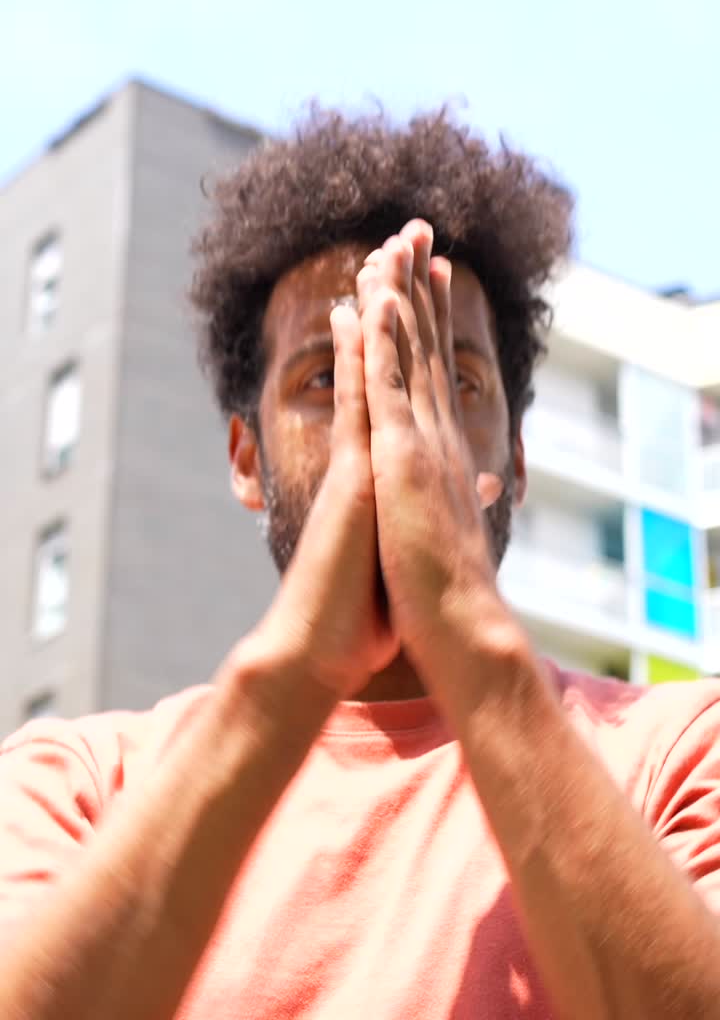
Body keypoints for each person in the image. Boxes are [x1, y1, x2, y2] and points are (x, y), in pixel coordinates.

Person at [1, 108, 719, 1020]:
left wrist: (466, 634)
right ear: (246, 460)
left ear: (521, 458)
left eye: (447, 379)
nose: (381, 425)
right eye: (324, 379)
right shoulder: (76, 784)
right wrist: (297, 670)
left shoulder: (682, 750)